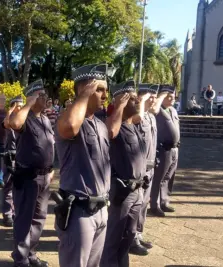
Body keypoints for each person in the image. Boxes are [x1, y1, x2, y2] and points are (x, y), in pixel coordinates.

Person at [55, 64, 127, 267]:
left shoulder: (98, 123)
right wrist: (84, 96)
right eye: (99, 89)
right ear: (84, 90)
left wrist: (120, 107)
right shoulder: (67, 118)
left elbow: (112, 131)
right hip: (79, 210)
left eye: (106, 90)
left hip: (101, 208)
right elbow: (69, 127)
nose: (105, 95)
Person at [9, 79, 55, 267]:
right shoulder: (25, 117)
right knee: (24, 219)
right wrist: (27, 103)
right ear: (33, 97)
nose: (45, 98)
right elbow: (13, 123)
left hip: (44, 176)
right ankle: (20, 258)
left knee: (39, 218)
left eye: (45, 95)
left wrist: (51, 171)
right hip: (28, 176)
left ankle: (31, 253)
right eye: (41, 95)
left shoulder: (45, 119)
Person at [101, 80, 147, 267]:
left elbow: (141, 116)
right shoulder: (114, 125)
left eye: (136, 97)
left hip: (137, 191)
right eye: (131, 98)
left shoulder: (134, 126)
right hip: (122, 192)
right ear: (120, 101)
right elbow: (110, 131)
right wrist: (118, 105)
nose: (137, 101)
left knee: (128, 236)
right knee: (113, 238)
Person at [129, 84, 159, 256]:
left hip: (150, 166)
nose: (154, 99)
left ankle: (138, 234)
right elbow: (137, 119)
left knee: (144, 205)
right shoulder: (137, 115)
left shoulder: (151, 117)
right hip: (140, 168)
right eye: (150, 96)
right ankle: (131, 238)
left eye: (154, 96)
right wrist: (142, 101)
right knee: (137, 204)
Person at [150, 85, 180, 217]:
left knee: (169, 177)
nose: (172, 98)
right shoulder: (158, 110)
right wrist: (160, 97)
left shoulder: (173, 110)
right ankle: (154, 205)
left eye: (173, 96)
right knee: (159, 178)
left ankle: (164, 201)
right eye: (169, 96)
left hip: (175, 149)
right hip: (164, 149)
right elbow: (154, 109)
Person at [1, 95, 24, 227]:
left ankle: (16, 212)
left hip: (22, 157)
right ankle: (7, 213)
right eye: (17, 105)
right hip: (10, 156)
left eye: (21, 105)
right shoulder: (9, 119)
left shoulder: (24, 119)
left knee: (19, 187)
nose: (19, 107)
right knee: (8, 186)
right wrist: (10, 110)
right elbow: (6, 123)